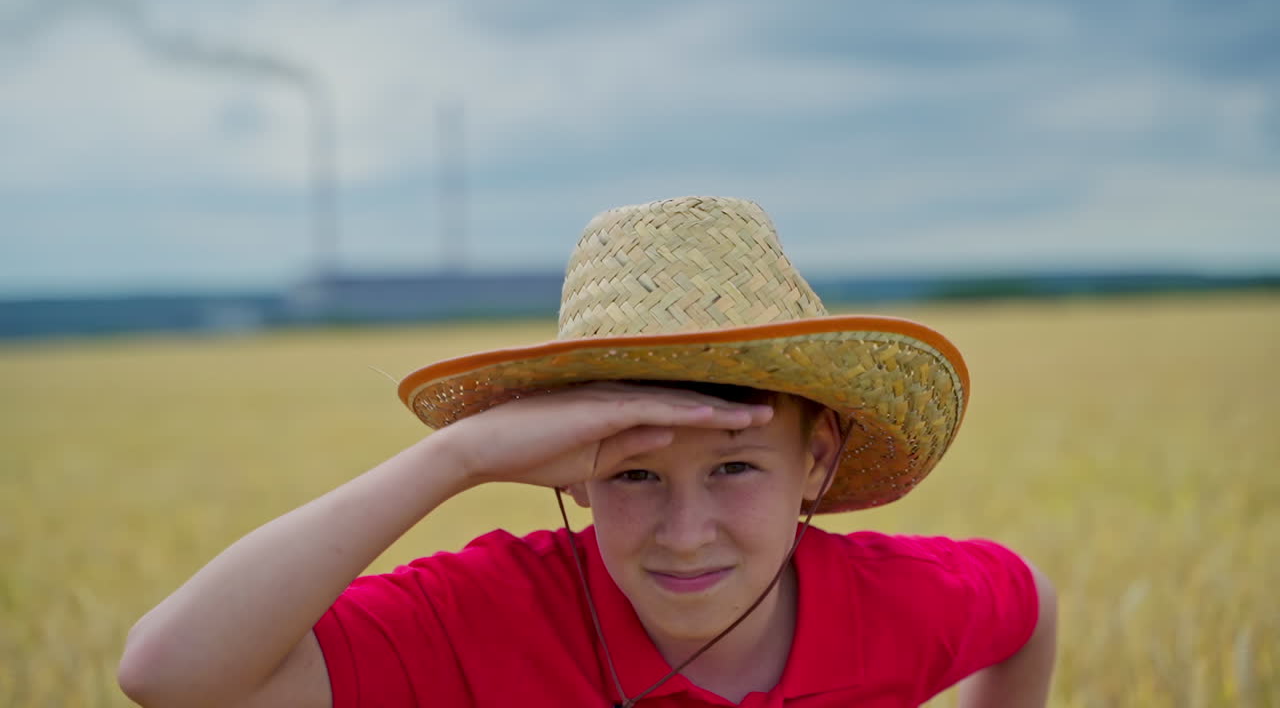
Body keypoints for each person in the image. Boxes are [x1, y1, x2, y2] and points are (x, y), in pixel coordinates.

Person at [118, 196, 1057, 707]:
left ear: (817, 459)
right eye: (634, 472)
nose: (685, 535)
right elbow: (169, 676)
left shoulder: (897, 606)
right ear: (569, 468)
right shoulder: (487, 615)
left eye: (734, 467)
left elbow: (1029, 607)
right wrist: (461, 458)